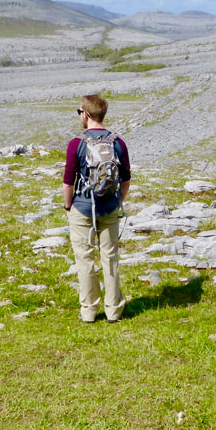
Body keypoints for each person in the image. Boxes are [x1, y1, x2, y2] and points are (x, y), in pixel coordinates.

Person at [62, 94, 131, 323]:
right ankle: (114, 311)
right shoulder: (118, 143)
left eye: (80, 111)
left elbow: (68, 181)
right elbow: (126, 179)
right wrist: (117, 200)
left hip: (82, 208)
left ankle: (89, 311)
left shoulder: (76, 143)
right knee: (110, 258)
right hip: (110, 208)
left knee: (85, 259)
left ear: (86, 114)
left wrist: (68, 206)